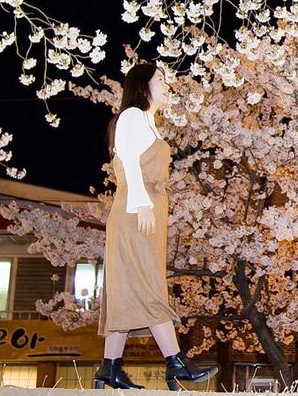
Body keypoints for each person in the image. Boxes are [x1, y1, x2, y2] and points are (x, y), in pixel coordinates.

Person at [93, 62, 216, 391]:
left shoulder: (149, 121)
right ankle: (175, 361)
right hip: (137, 209)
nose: (167, 84)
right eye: (160, 79)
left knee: (129, 284)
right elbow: (129, 161)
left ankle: (111, 366)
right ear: (141, 85)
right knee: (147, 282)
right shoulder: (132, 116)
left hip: (146, 208)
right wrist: (143, 204)